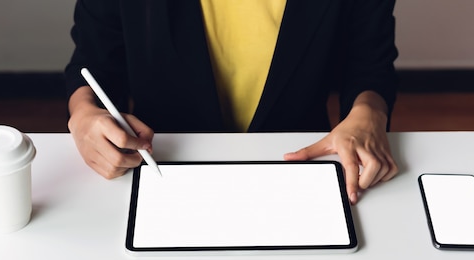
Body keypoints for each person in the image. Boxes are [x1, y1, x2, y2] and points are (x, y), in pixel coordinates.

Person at [65, 0, 399, 204]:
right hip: (161, 168)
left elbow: (369, 65)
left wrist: (367, 114)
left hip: (299, 169)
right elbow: (95, 62)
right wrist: (83, 115)